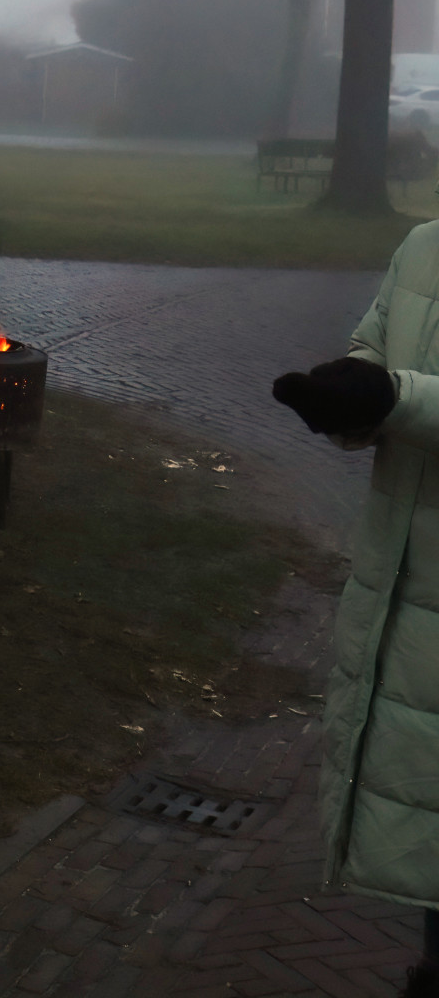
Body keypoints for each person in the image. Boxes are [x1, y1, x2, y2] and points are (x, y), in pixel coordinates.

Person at [272, 222, 439, 998]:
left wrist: (395, 397)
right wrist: (349, 396)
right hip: (405, 593)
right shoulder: (424, 246)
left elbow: (400, 390)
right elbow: (375, 348)